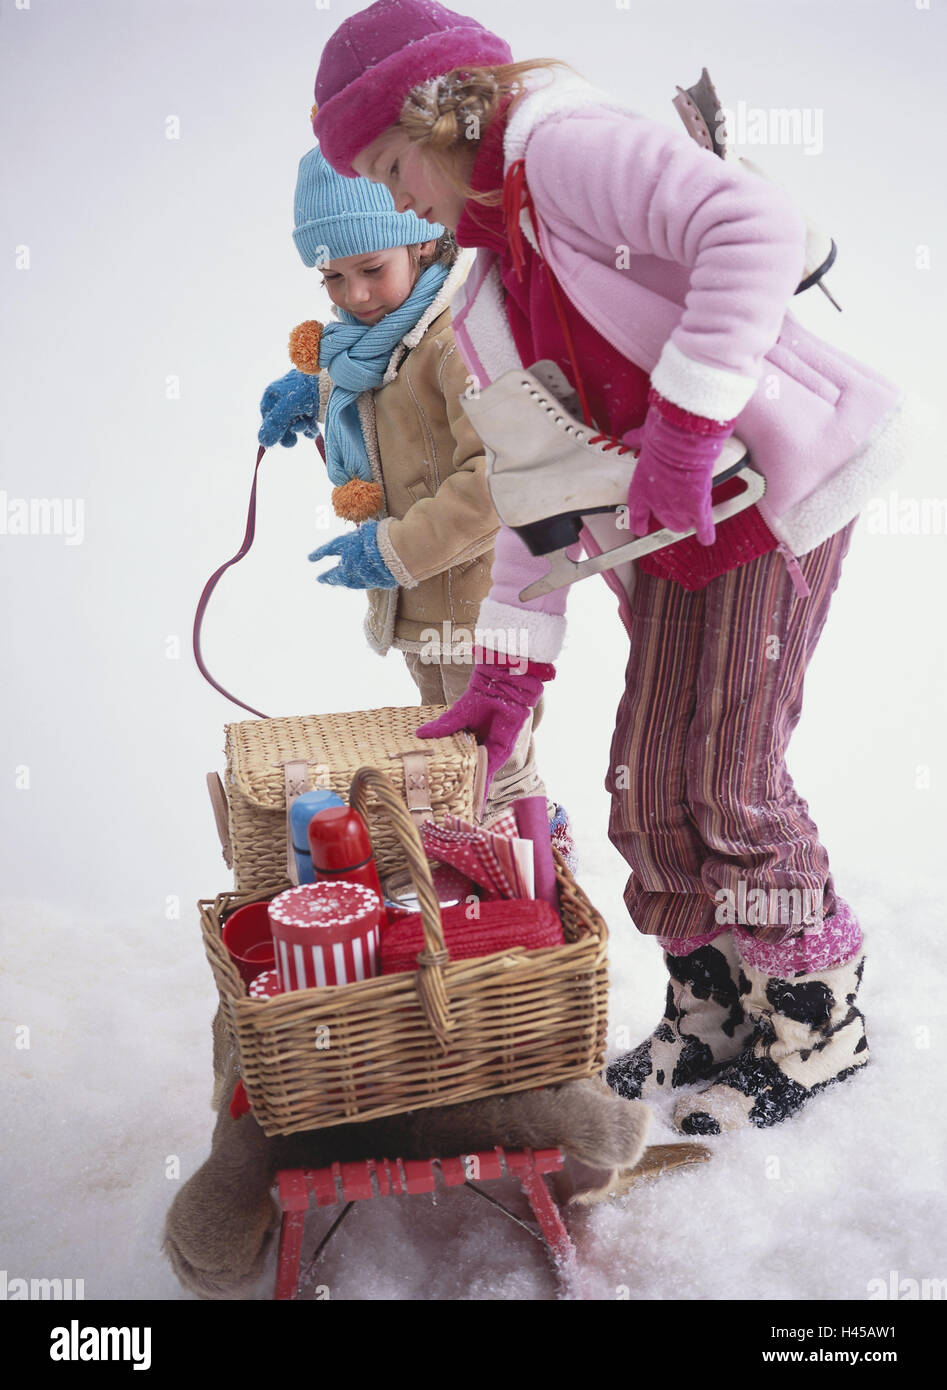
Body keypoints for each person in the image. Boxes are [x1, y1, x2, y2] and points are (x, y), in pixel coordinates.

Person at [308, 0, 913, 1133]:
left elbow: (749, 226)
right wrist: (505, 674)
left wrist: (682, 426)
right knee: (646, 776)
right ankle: (716, 1005)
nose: (393, 199)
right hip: (687, 525)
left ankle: (818, 1021)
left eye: (390, 165)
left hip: (767, 493)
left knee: (724, 775)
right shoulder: (490, 283)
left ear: (437, 115)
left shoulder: (562, 146)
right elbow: (533, 489)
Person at [259, 145, 568, 831]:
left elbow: (494, 477)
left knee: (490, 756)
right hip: (423, 605)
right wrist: (316, 387)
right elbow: (388, 400)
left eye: (371, 269)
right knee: (441, 744)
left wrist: (394, 550)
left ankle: (532, 867)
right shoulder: (374, 344)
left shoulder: (457, 341)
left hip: (480, 600)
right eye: (331, 279)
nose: (353, 296)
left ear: (423, 242)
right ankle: (472, 850)